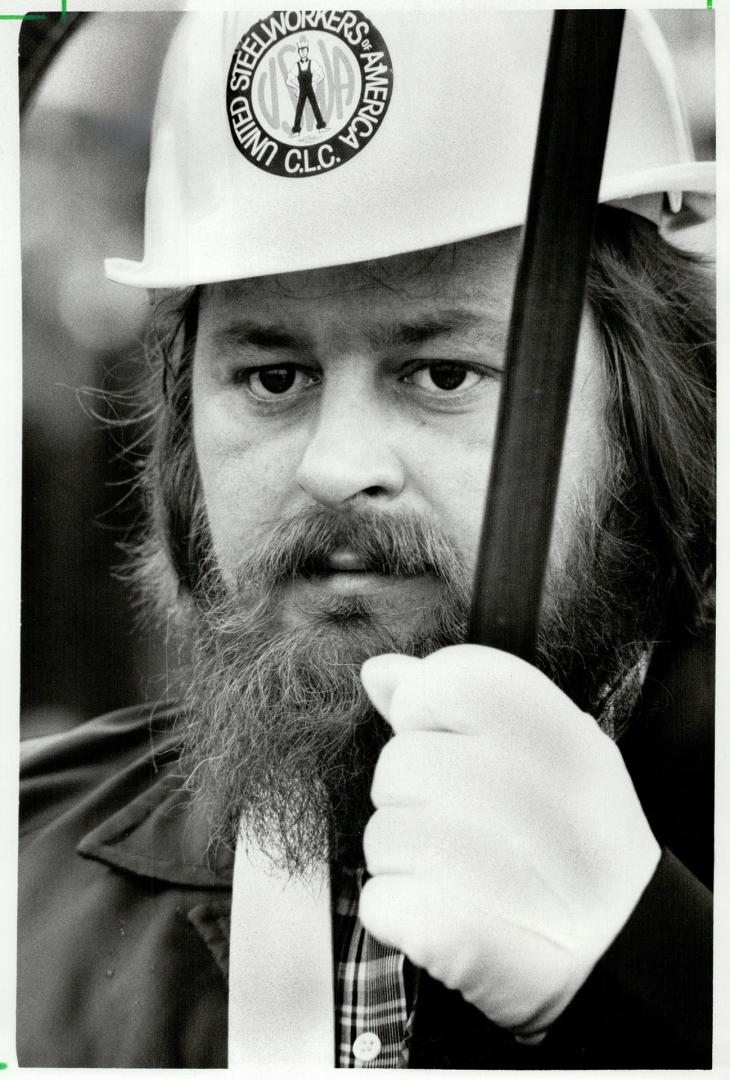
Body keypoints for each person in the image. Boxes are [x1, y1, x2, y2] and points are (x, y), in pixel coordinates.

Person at [18, 7, 715, 1070]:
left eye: (441, 372)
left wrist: (660, 978)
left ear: (647, 408)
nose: (336, 464)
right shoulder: (25, 885)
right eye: (273, 377)